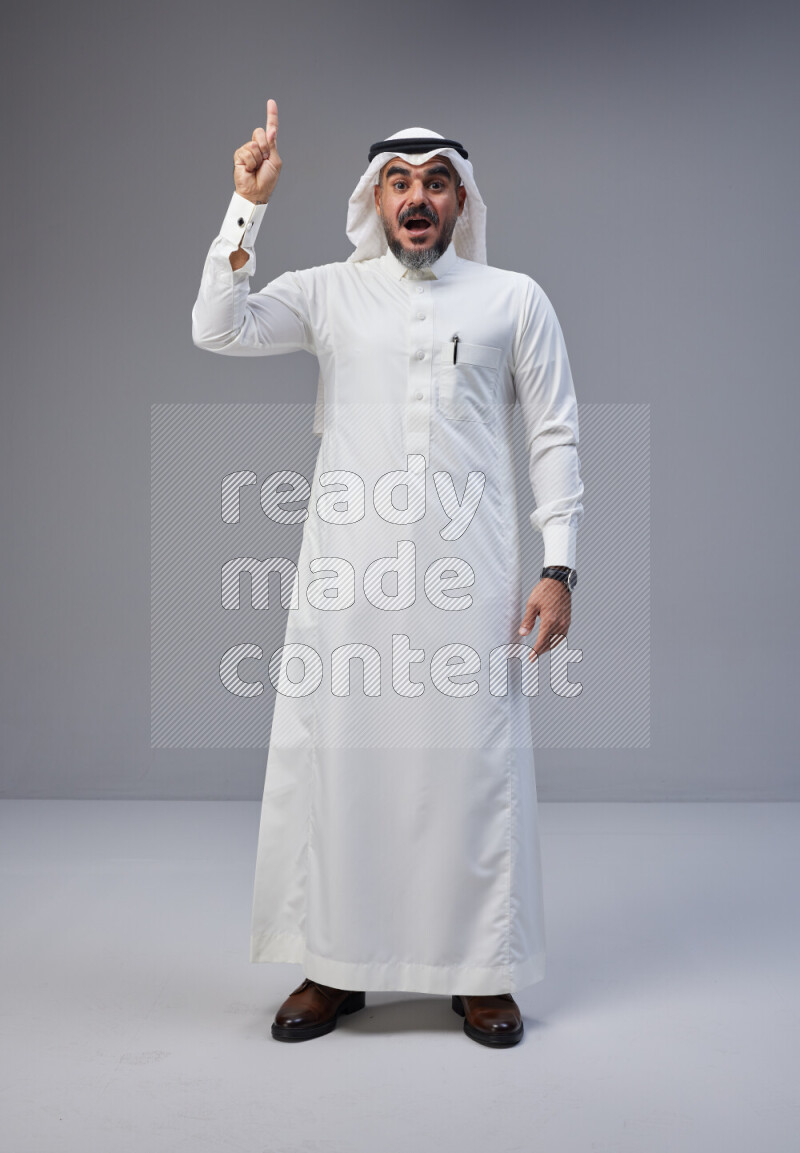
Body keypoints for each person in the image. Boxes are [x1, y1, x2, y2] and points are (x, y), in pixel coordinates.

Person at [192, 100, 584, 1048]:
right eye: (399, 184)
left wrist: (560, 564)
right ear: (375, 198)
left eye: (436, 183)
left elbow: (556, 430)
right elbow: (219, 328)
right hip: (350, 575)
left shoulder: (513, 298)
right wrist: (245, 208)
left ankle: (479, 973)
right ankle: (334, 966)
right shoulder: (331, 291)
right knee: (345, 766)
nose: (418, 199)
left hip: (473, 576)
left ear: (460, 200)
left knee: (469, 769)